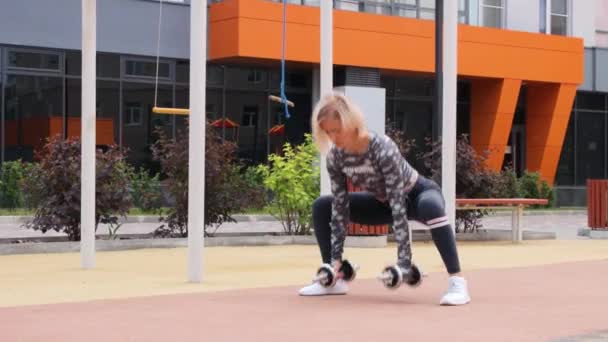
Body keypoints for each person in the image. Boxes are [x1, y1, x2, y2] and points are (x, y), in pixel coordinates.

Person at [298, 93, 471, 306]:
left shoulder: (382, 147)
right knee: (323, 206)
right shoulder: (335, 157)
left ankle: (457, 282)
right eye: (328, 132)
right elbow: (340, 208)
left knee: (431, 206)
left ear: (351, 123)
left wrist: (403, 262)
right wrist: (335, 260)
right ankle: (335, 279)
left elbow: (398, 203)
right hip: (383, 203)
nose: (334, 137)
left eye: (337, 130)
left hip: (415, 194)